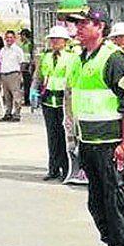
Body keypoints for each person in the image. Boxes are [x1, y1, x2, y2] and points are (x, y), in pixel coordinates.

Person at [59, 3, 124, 246]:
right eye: (76, 24)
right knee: (97, 202)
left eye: (84, 23)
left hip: (110, 143)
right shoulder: (80, 58)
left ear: (100, 27)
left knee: (115, 200)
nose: (78, 28)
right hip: (89, 141)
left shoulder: (114, 59)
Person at [34, 25, 77, 180]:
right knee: (52, 135)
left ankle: (66, 169)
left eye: (57, 39)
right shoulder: (45, 57)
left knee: (64, 136)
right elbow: (38, 75)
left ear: (65, 41)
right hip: (48, 100)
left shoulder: (72, 57)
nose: (54, 42)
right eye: (52, 39)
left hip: (64, 100)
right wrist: (34, 90)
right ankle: (53, 168)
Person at [0, 29, 26, 122]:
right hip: (4, 74)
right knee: (7, 96)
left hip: (14, 74)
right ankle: (8, 113)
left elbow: (22, 63)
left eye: (11, 37)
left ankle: (17, 114)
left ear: (14, 38)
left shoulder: (18, 50)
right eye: (7, 37)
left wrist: (20, 75)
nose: (9, 39)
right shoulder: (3, 50)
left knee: (16, 95)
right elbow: (0, 62)